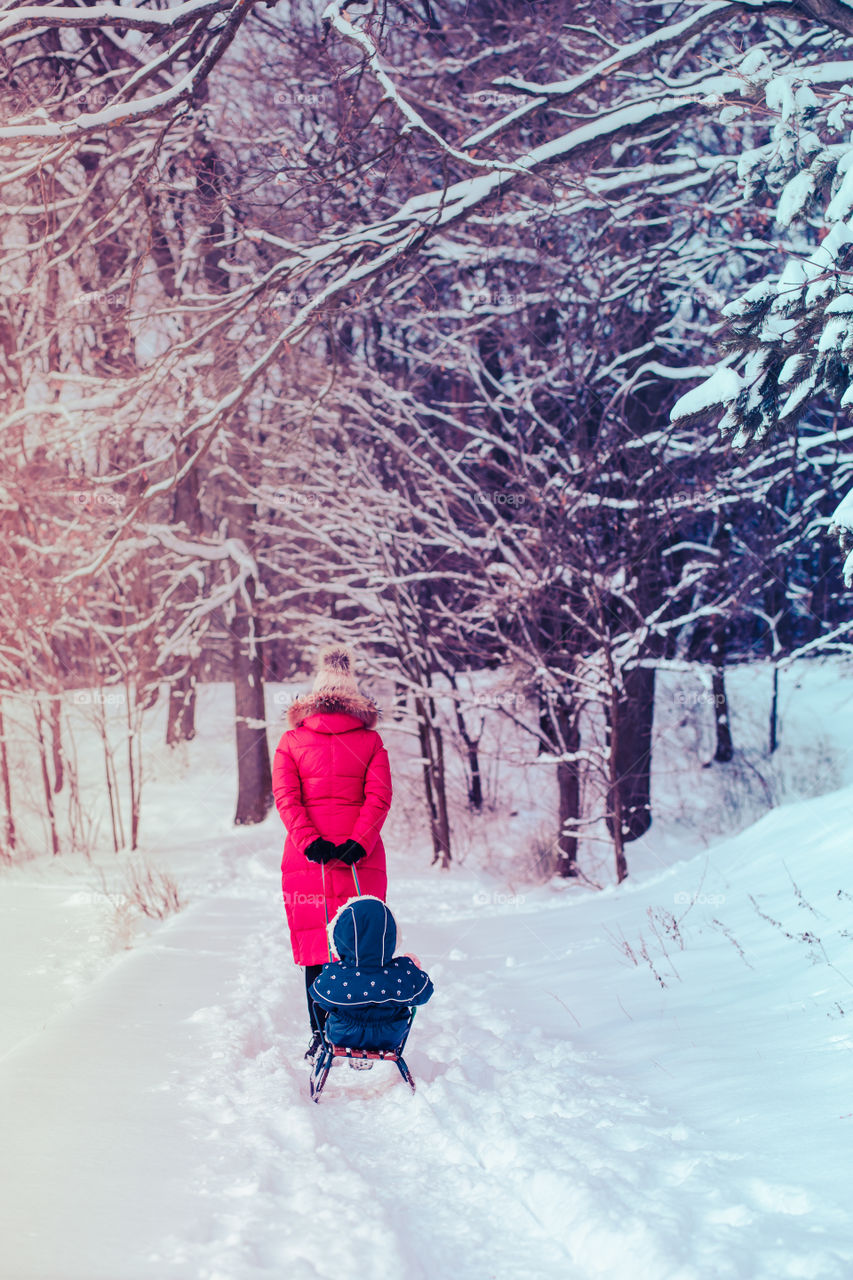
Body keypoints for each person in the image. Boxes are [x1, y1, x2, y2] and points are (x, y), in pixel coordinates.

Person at [272, 645, 393, 1057]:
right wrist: (359, 842)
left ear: (314, 695)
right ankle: (360, 1031)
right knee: (361, 947)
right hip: (363, 859)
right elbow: (379, 798)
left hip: (308, 863)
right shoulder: (371, 741)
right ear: (353, 697)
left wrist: (310, 843)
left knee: (315, 949)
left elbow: (286, 798)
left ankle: (321, 1036)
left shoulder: (291, 740)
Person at [310, 895, 433, 1056]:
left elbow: (318, 997)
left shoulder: (336, 973)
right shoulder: (401, 971)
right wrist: (413, 969)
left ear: (338, 936)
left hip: (342, 1035)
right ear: (392, 936)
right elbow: (425, 993)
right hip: (390, 1037)